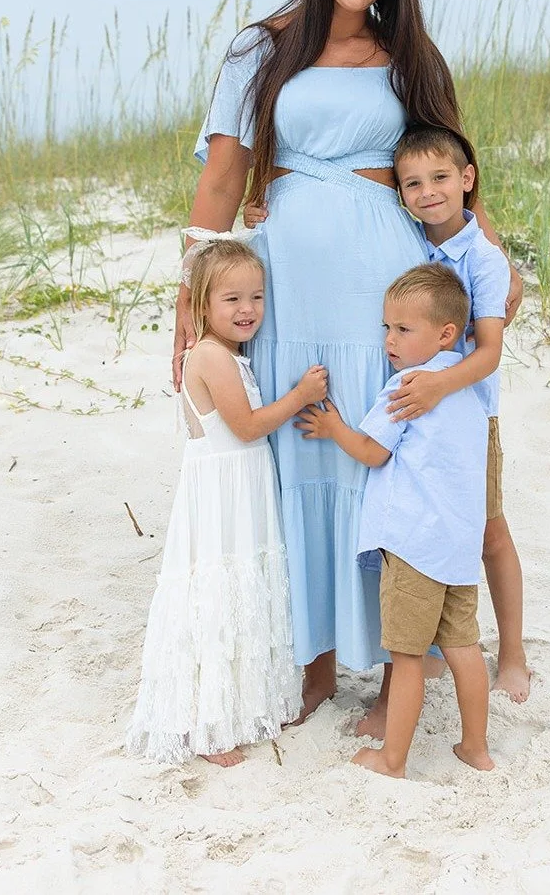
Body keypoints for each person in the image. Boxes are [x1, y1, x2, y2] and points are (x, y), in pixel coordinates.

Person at [175, 0, 521, 721]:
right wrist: (187, 300)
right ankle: (317, 662)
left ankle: (399, 660)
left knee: (384, 456)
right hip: (289, 282)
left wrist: (489, 265)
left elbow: (452, 173)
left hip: (384, 288)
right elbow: (224, 177)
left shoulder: (410, 55)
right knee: (303, 462)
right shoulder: (261, 50)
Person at [126, 238, 327, 767]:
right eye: (231, 299)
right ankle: (211, 727)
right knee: (218, 597)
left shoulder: (230, 355)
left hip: (241, 489)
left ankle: (244, 704)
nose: (247, 310)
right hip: (221, 494)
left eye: (257, 297)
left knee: (244, 589)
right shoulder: (211, 357)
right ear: (201, 308)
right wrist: (301, 397)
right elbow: (245, 427)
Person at [298, 264, 493, 778]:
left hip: (411, 546)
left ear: (446, 333)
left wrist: (332, 425)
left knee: (406, 657)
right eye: (387, 327)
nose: (389, 340)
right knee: (464, 648)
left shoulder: (407, 386)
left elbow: (372, 452)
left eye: (403, 330)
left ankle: (392, 759)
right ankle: (476, 747)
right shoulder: (469, 391)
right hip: (457, 548)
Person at [392, 124, 531, 702]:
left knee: (488, 531)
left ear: (467, 179)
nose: (428, 192)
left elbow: (490, 351)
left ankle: (515, 652)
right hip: (420, 415)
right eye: (413, 183)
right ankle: (429, 649)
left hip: (469, 415)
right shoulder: (405, 241)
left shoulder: (484, 259)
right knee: (425, 527)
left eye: (441, 178)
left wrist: (438, 386)